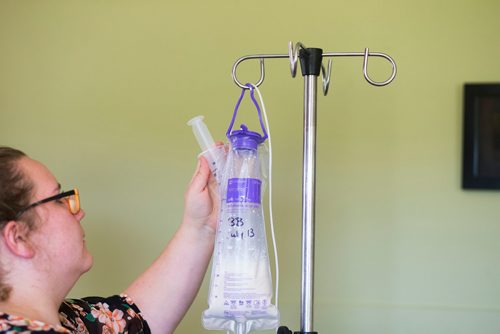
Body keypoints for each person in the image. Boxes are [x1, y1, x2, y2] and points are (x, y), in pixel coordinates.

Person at [0, 146, 219, 334]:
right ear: (18, 238)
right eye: (59, 200)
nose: (78, 212)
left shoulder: (67, 319)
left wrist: (202, 225)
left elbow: (136, 320)